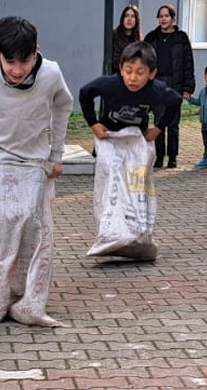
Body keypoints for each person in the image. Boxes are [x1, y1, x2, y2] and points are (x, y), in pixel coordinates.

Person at [0, 16, 73, 327]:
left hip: (35, 159)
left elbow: (64, 104)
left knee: (35, 224)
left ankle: (28, 301)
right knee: (4, 222)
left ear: (37, 51)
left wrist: (56, 153)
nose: (18, 69)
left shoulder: (51, 73)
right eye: (10, 61)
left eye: (25, 60)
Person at [79, 41, 183, 261]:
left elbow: (175, 101)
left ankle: (137, 234)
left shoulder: (156, 90)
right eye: (128, 71)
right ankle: (110, 232)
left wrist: (158, 127)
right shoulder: (110, 85)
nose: (133, 78)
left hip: (136, 142)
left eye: (140, 73)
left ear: (152, 73)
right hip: (110, 140)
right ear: (121, 68)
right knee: (112, 182)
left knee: (136, 186)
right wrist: (93, 123)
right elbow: (85, 92)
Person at [144, 3, 195, 168]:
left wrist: (188, 88)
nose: (163, 19)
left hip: (175, 83)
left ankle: (172, 157)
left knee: (173, 122)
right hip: (157, 83)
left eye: (166, 16)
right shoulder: (151, 38)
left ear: (173, 18)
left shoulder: (181, 38)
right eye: (161, 16)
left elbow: (188, 64)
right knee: (159, 121)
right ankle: (159, 157)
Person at [111, 5, 143, 74]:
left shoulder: (139, 39)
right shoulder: (115, 36)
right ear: (122, 19)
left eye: (132, 16)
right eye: (126, 16)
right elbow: (115, 60)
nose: (129, 19)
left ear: (136, 20)